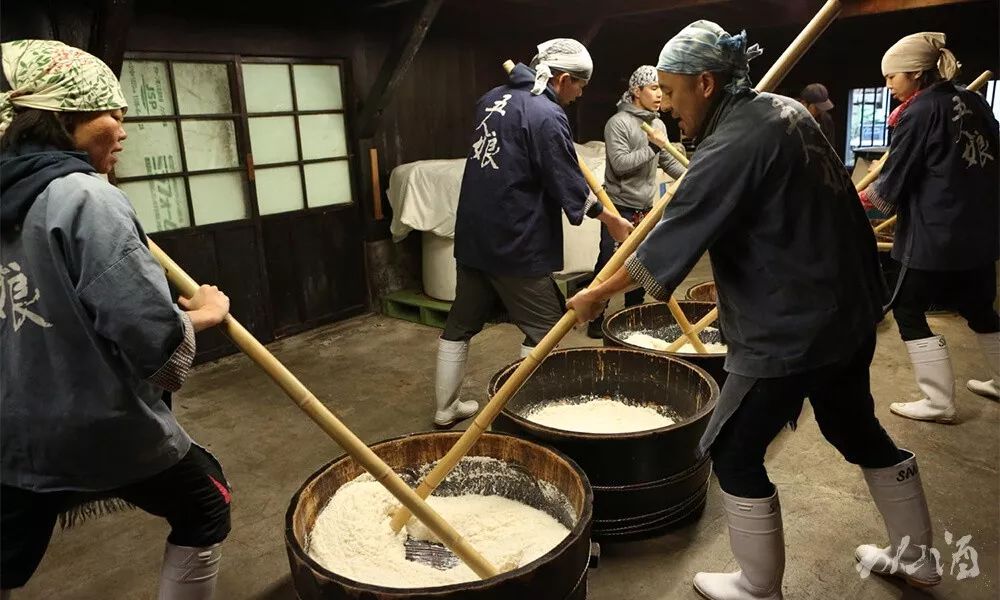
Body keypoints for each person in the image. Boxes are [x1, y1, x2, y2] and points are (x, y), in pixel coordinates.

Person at [566, 21, 940, 598]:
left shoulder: (731, 145)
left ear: (707, 84)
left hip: (790, 328)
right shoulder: (784, 112)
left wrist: (595, 294)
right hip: (850, 309)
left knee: (733, 451)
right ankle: (918, 558)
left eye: (671, 90)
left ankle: (757, 585)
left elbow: (659, 255)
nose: (666, 104)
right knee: (853, 427)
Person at [1, 39, 232, 599]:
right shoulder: (84, 199)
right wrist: (204, 314)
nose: (123, 129)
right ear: (62, 118)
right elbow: (146, 335)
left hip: (12, 429)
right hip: (94, 424)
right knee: (206, 505)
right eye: (111, 114)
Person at [433, 38, 634, 427]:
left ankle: (445, 409)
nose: (579, 95)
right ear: (562, 79)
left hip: (475, 235)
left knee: (459, 324)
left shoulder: (490, 99)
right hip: (515, 240)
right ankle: (532, 419)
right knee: (547, 331)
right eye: (579, 86)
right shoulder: (545, 112)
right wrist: (609, 218)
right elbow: (563, 178)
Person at [860, 32, 999, 423]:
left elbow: (895, 183)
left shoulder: (919, 113)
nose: (888, 84)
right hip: (979, 230)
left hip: (934, 233)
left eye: (892, 77)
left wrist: (858, 201)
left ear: (917, 74)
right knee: (978, 307)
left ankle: (938, 402)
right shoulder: (973, 101)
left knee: (906, 309)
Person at [586, 65, 686, 338]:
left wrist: (691, 175)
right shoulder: (618, 123)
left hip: (645, 207)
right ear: (635, 91)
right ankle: (596, 316)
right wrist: (653, 145)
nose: (659, 95)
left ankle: (633, 316)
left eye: (661, 89)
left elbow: (665, 159)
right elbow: (620, 165)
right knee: (610, 263)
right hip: (619, 207)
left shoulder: (657, 124)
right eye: (653, 88)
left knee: (642, 263)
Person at [798, 82, 837, 150]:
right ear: (804, 104)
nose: (820, 111)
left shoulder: (826, 119)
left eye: (822, 108)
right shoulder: (790, 117)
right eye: (817, 108)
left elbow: (830, 147)